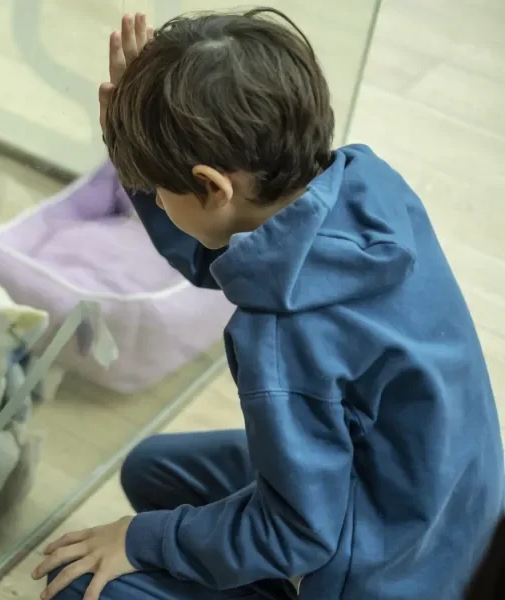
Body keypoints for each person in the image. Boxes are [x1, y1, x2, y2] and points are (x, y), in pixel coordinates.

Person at [30, 8, 504, 600]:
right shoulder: (366, 185)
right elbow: (222, 242)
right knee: (152, 470)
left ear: (212, 186)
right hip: (442, 508)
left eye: (159, 185)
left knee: (73, 582)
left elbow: (298, 532)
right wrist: (138, 152)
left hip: (377, 573)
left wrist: (139, 540)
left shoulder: (282, 335)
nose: (151, 192)